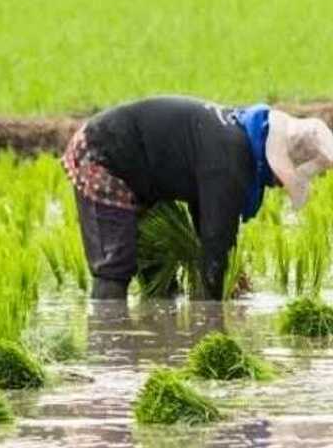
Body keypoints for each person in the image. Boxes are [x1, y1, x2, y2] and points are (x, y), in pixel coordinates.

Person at [62, 95, 333, 300]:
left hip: (141, 170)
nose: (277, 186)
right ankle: (108, 351)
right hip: (102, 155)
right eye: (283, 178)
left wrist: (229, 276)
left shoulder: (239, 134)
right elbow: (217, 240)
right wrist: (216, 306)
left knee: (161, 271)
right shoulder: (230, 161)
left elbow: (207, 217)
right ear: (276, 162)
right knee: (115, 266)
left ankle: (151, 343)